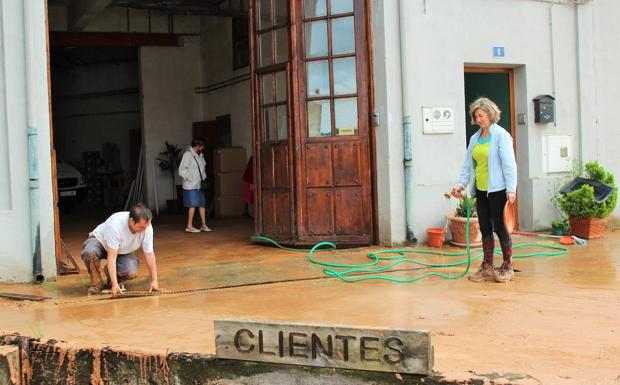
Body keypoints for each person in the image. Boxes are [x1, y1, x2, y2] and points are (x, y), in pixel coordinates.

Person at [452, 97, 517, 283]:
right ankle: (487, 266)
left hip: (498, 189)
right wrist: (461, 185)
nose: (478, 119)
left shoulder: (501, 135)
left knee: (501, 228)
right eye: (476, 116)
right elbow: (467, 166)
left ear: (490, 114)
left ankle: (507, 266)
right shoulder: (475, 138)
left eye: (481, 115)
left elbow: (509, 165)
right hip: (481, 190)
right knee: (485, 228)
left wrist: (511, 189)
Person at [81, 204, 162, 296]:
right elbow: (111, 257)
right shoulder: (115, 225)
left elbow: (149, 254)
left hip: (122, 249)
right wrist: (115, 285)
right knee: (89, 252)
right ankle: (96, 283)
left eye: (147, 226)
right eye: (141, 227)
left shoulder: (147, 227)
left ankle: (111, 274)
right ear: (131, 221)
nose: (145, 230)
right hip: (100, 242)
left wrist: (155, 281)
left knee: (131, 271)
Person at [178, 137, 211, 233]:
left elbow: (203, 168)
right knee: (192, 205)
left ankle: (204, 225)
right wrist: (191, 178)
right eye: (202, 146)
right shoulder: (187, 155)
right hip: (190, 185)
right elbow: (182, 170)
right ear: (198, 145)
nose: (203, 148)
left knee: (201, 204)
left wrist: (203, 178)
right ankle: (189, 226)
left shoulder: (200, 155)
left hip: (199, 184)